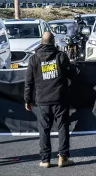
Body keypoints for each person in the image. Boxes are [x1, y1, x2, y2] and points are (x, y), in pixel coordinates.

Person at [24, 32, 77, 168]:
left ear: (41, 42)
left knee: (44, 130)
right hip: (60, 98)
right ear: (53, 42)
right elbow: (71, 73)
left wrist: (27, 99)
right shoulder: (61, 56)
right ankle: (63, 157)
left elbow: (28, 82)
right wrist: (72, 65)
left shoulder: (34, 59)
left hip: (42, 99)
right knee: (62, 127)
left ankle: (45, 159)